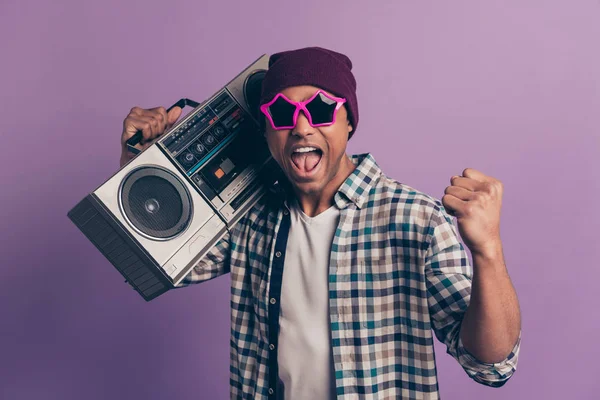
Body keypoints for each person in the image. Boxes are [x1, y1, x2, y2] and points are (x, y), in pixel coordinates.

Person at [119, 47, 521, 400]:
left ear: (349, 122)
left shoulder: (416, 219)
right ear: (267, 129)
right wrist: (137, 160)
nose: (301, 126)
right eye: (281, 112)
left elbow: (490, 365)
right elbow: (156, 265)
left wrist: (488, 251)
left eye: (321, 109)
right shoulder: (250, 219)